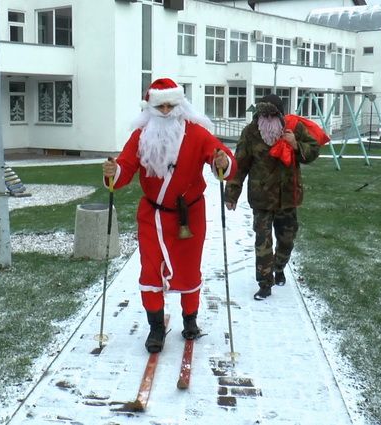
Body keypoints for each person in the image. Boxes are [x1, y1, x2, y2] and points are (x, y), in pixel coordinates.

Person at [102, 78, 237, 353]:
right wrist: (113, 172)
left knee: (189, 269)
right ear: (150, 107)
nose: (165, 111)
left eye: (170, 105)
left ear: (180, 104)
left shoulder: (197, 132)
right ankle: (156, 328)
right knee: (150, 271)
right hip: (152, 216)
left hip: (190, 215)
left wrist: (222, 161)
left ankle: (190, 320)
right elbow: (125, 167)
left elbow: (218, 154)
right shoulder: (140, 135)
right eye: (160, 106)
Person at [224, 94, 320, 300]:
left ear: (280, 115)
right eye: (262, 114)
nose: (266, 118)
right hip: (261, 198)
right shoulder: (250, 133)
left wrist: (296, 145)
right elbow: (239, 165)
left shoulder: (294, 129)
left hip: (288, 196)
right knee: (263, 241)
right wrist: (231, 194)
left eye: (271, 114)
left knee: (287, 240)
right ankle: (265, 283)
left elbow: (313, 150)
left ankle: (279, 267)